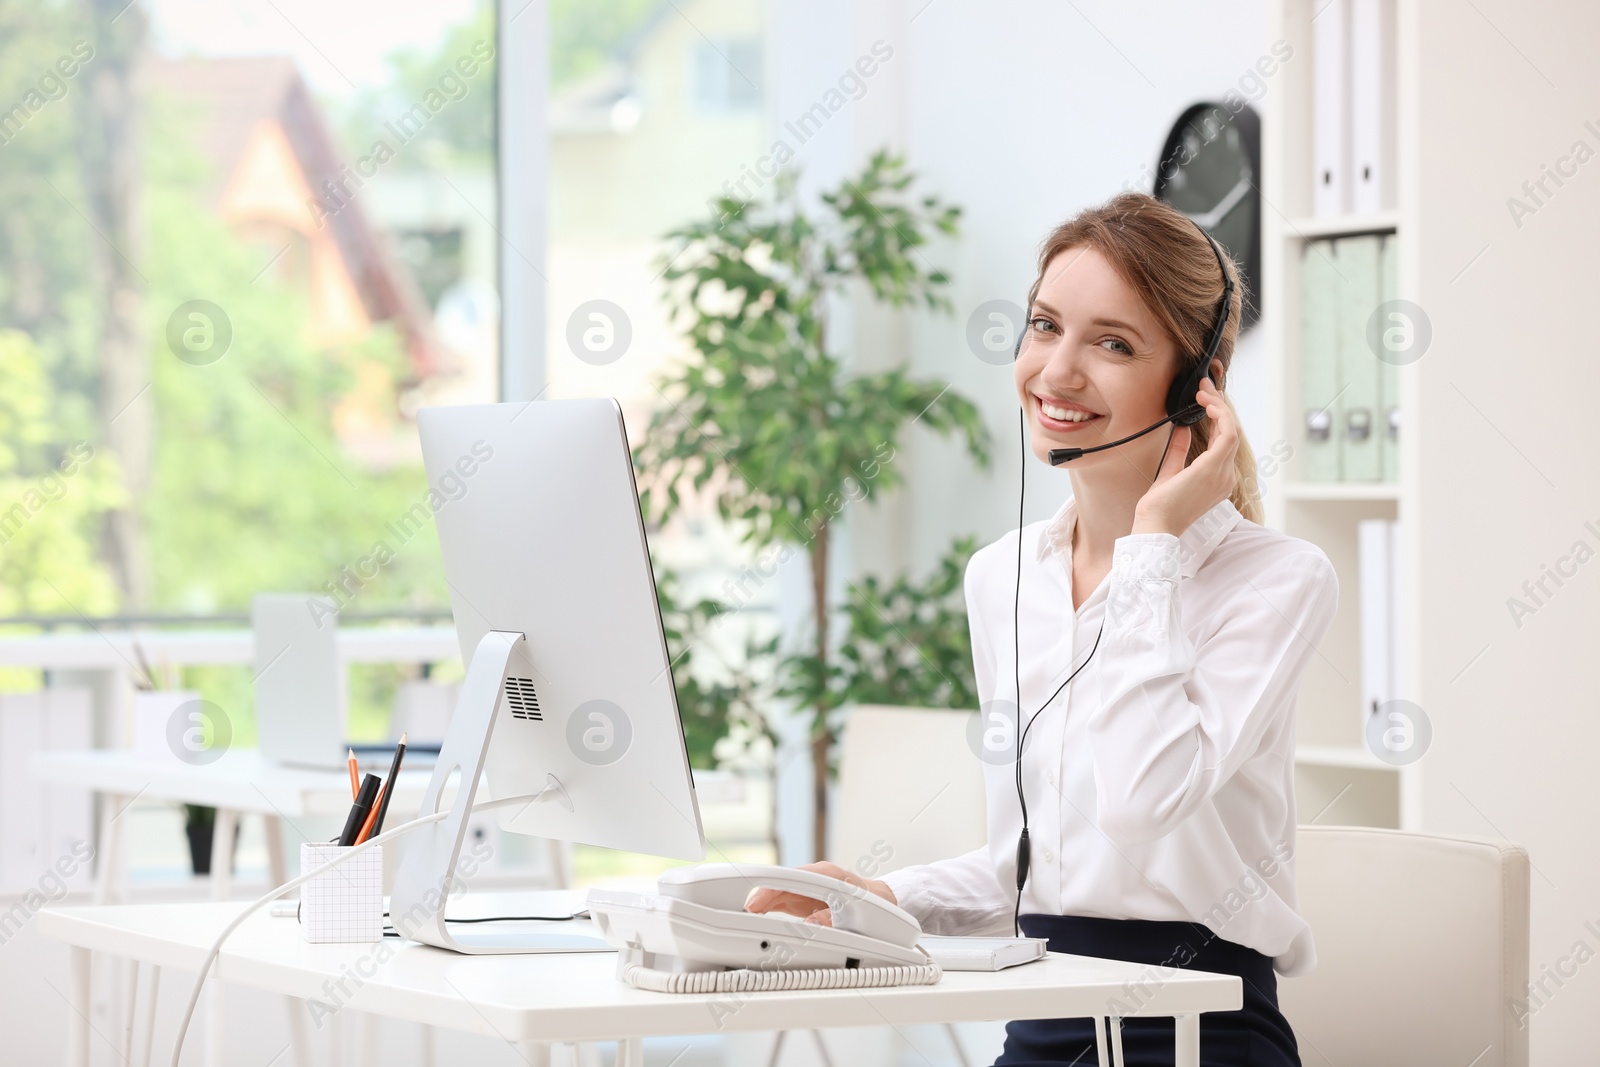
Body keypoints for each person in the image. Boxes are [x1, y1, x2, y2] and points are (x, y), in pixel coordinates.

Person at [746, 192, 1339, 1065]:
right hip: (1042, 1021)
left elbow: (1138, 806)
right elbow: (1028, 873)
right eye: (1043, 326)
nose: (1056, 371)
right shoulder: (1002, 577)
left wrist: (1154, 544)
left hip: (1197, 1032)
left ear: (1192, 388)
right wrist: (881, 895)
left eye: (1113, 343)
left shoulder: (1277, 579)